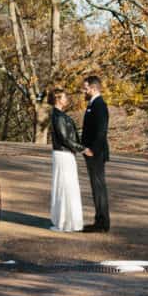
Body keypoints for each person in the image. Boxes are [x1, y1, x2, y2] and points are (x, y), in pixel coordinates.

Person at [48, 88, 84, 232]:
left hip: (65, 154)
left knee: (67, 186)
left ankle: (69, 220)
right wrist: (81, 148)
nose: (66, 99)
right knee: (65, 186)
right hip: (63, 154)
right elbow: (64, 138)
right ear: (57, 99)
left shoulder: (60, 115)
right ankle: (65, 222)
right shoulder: (58, 116)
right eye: (64, 97)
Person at [80, 75, 111, 232]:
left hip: (96, 153)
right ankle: (100, 220)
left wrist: (93, 149)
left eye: (85, 88)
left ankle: (102, 223)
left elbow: (101, 131)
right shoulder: (93, 104)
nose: (83, 91)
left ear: (93, 88)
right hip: (92, 152)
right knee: (96, 187)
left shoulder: (99, 105)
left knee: (98, 187)